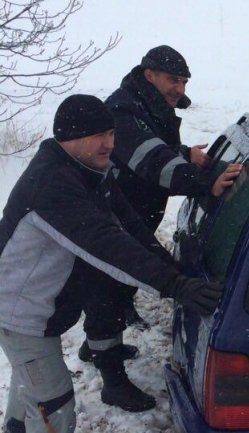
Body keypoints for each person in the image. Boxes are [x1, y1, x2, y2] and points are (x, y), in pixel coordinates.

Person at [0, 94, 224, 433]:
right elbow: (109, 246)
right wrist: (175, 287)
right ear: (70, 138)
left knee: (29, 388)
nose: (110, 144)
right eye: (99, 136)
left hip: (33, 308)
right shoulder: (53, 186)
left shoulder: (89, 169)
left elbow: (130, 227)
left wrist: (175, 273)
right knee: (54, 404)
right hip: (18, 314)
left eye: (111, 133)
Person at [76, 45, 241, 411]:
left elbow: (159, 147)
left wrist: (184, 153)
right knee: (107, 290)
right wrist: (204, 182)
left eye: (182, 81)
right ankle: (111, 380)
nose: (179, 88)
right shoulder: (122, 109)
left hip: (134, 213)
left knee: (120, 285)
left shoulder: (148, 104)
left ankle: (98, 344)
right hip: (112, 217)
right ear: (149, 74)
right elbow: (151, 159)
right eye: (172, 79)